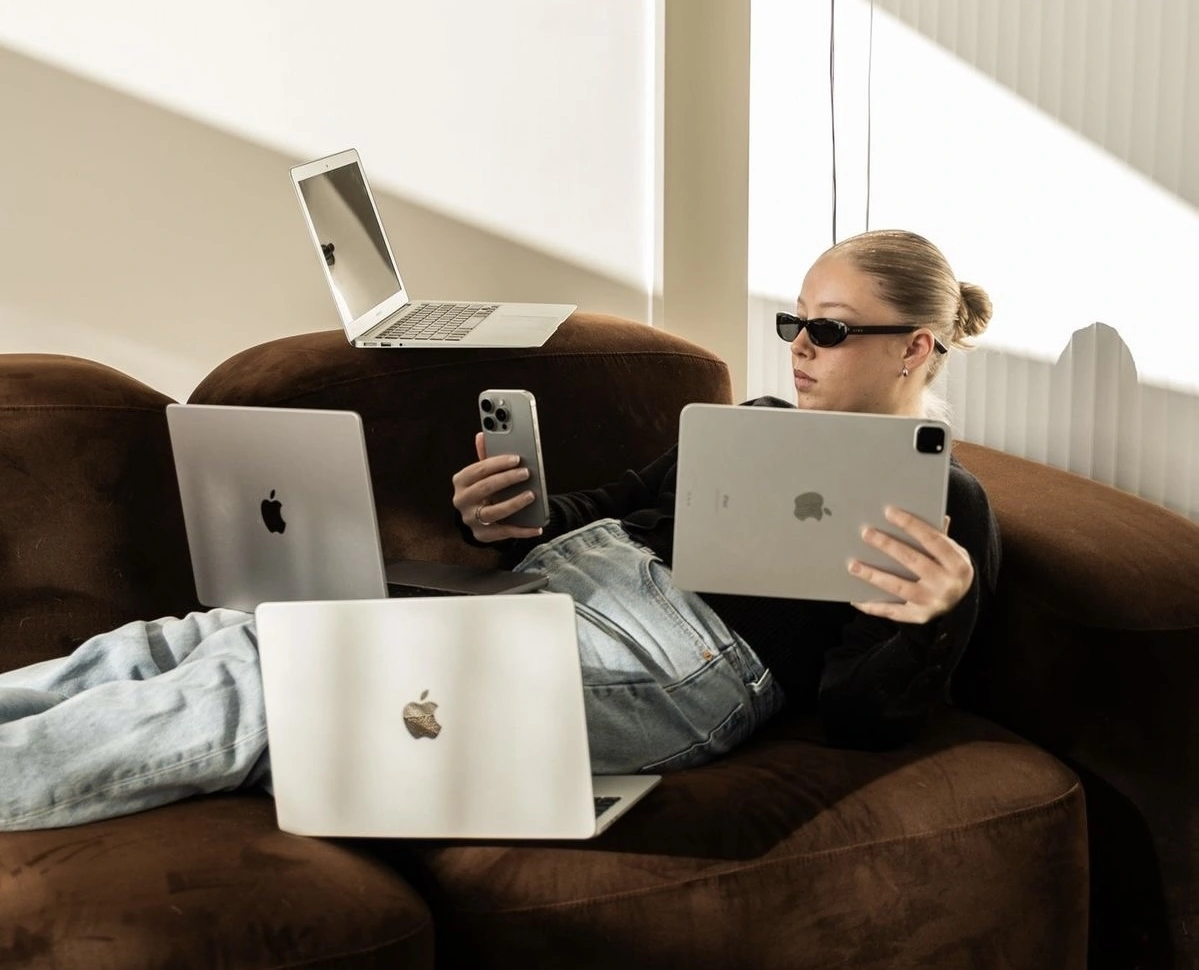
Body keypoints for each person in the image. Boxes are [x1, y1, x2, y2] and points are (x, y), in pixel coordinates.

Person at [0, 229, 1000, 831]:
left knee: (274, 686)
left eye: (825, 329)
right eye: (792, 323)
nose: (798, 349)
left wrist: (930, 619)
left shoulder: (943, 504)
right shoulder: (748, 429)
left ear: (913, 347)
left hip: (680, 658)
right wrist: (507, 522)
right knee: (203, 635)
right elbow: (596, 509)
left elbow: (861, 714)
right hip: (563, 587)